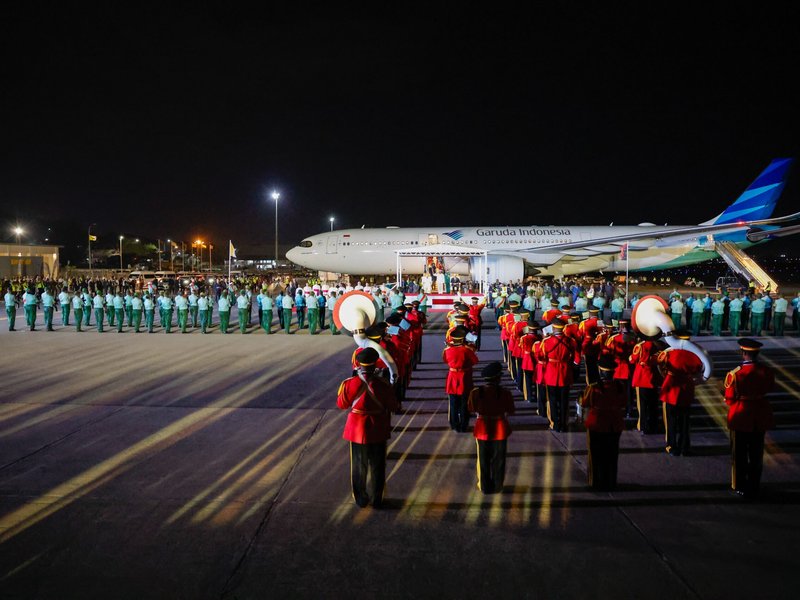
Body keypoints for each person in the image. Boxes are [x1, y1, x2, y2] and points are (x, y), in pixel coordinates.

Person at [336, 347, 399, 509]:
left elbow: (342, 405)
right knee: (378, 465)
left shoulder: (350, 383)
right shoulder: (383, 384)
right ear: (376, 363)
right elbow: (393, 405)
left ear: (358, 363)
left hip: (357, 429)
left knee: (358, 464)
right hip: (378, 427)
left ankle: (361, 498)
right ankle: (377, 498)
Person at [724, 338, 775, 499]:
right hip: (759, 414)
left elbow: (730, 399)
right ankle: (754, 485)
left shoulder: (736, 373)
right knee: (756, 454)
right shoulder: (766, 371)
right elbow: (769, 388)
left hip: (741, 416)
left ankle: (740, 486)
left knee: (739, 455)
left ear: (744, 353)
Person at [467, 361, 515, 494]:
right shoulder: (505, 393)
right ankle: (498, 485)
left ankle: (484, 486)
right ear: (498, 378)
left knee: (483, 459)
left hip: (482, 428)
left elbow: (471, 408)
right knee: (499, 459)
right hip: (499, 427)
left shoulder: (476, 392)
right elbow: (511, 409)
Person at [581, 356, 627, 491]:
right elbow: (624, 403)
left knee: (595, 456)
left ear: (600, 371)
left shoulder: (593, 387)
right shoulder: (620, 386)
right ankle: (611, 482)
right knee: (612, 455)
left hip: (597, 424)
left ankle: (596, 483)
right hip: (614, 424)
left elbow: (585, 403)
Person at [658, 331, 705, 456]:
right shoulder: (695, 354)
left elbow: (660, 365)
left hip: (671, 389)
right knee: (685, 422)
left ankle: (672, 446)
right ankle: (685, 447)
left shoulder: (670, 353)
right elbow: (699, 369)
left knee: (670, 421)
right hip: (686, 389)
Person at [541, 317, 577, 432]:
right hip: (565, 372)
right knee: (564, 400)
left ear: (553, 328)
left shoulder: (547, 341)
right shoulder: (570, 341)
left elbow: (541, 356)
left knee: (552, 400)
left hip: (551, 372)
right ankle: (563, 424)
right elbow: (575, 355)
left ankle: (555, 424)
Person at [442, 325, 479, 432]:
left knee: (453, 403)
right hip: (464, 376)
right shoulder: (467, 350)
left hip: (452, 376)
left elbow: (445, 361)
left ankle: (454, 424)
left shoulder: (447, 350)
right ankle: (464, 425)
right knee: (464, 403)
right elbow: (475, 361)